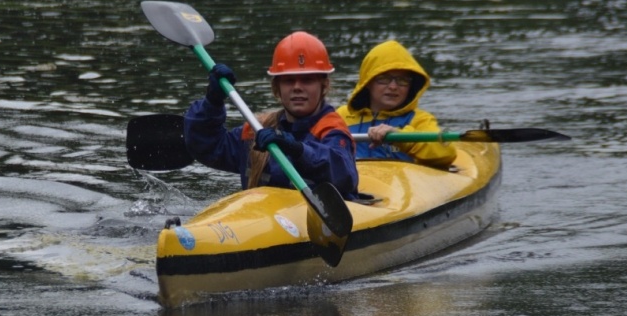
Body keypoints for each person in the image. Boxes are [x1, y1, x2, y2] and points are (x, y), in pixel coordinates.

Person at [183, 31, 359, 200]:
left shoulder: (331, 129)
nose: (297, 87)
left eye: (307, 80)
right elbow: (207, 148)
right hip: (264, 220)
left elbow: (343, 174)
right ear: (277, 88)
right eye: (289, 80)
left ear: (324, 86)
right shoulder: (258, 129)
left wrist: (297, 150)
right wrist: (212, 102)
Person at [337, 39, 457, 168]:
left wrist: (400, 136)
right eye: (384, 79)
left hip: (399, 184)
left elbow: (446, 153)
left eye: (402, 80)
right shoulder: (341, 116)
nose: (393, 87)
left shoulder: (419, 119)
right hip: (351, 182)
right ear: (368, 83)